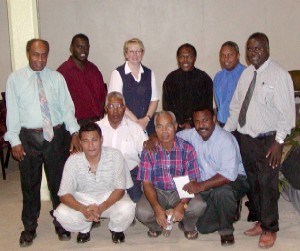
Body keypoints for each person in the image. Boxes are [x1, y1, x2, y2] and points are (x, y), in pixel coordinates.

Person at [4, 38, 81, 247]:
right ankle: (29, 226)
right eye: (36, 54)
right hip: (29, 138)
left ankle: (61, 221)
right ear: (28, 53)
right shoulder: (15, 79)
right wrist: (14, 140)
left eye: (44, 55)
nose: (40, 59)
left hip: (55, 137)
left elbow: (67, 108)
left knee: (58, 183)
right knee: (30, 184)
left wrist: (74, 132)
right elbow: (12, 113)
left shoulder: (57, 78)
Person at [224, 32, 295, 249]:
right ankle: (259, 221)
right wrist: (225, 133)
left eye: (258, 48)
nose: (253, 53)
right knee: (253, 184)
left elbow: (287, 114)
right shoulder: (246, 74)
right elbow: (236, 107)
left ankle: (270, 228)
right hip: (247, 139)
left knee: (267, 185)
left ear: (267, 49)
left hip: (268, 142)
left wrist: (279, 142)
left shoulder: (279, 75)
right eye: (250, 49)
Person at [53, 122, 135, 244]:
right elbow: (64, 195)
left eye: (94, 140)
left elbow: (120, 189)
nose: (90, 145)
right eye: (85, 141)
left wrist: (102, 207)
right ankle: (84, 229)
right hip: (83, 199)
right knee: (61, 213)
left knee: (128, 207)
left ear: (101, 139)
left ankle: (116, 229)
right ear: (80, 142)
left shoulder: (115, 156)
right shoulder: (73, 161)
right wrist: (83, 209)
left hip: (109, 198)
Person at [178, 107, 248, 246]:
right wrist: (154, 138)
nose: (201, 126)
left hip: (234, 180)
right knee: (203, 227)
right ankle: (228, 210)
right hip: (208, 183)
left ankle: (226, 231)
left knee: (222, 192)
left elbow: (228, 175)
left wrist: (200, 186)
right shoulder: (192, 134)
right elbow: (173, 136)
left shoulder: (225, 139)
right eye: (197, 122)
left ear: (214, 119)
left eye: (205, 120)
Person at [136, 111, 206, 240]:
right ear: (155, 129)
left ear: (175, 126)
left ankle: (188, 226)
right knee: (142, 212)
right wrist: (156, 207)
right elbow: (146, 183)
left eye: (168, 126)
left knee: (198, 206)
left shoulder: (187, 149)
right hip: (157, 190)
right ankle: (157, 226)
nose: (164, 131)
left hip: (180, 189)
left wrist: (182, 205)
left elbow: (192, 181)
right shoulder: (149, 150)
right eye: (160, 126)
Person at [96, 91, 148, 203]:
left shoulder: (135, 129)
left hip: (130, 172)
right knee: (97, 200)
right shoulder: (96, 128)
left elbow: (146, 152)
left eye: (119, 106)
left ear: (124, 108)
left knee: (136, 202)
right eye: (111, 106)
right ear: (105, 108)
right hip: (103, 173)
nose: (115, 110)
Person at [108, 38, 159, 135]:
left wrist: (146, 119)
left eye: (138, 51)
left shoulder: (149, 73)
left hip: (147, 124)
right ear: (126, 54)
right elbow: (116, 103)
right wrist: (137, 122)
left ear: (142, 53)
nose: (135, 55)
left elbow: (154, 100)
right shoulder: (117, 73)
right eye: (131, 51)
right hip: (126, 125)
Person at [57, 33, 107, 125]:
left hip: (95, 123)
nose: (83, 50)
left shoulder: (94, 70)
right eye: (79, 47)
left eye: (86, 47)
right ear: (71, 48)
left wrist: (100, 118)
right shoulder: (62, 72)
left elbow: (102, 97)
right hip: (74, 125)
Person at [162, 43, 213, 131]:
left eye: (189, 56)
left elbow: (207, 107)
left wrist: (191, 124)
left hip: (199, 127)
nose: (185, 60)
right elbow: (167, 107)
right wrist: (177, 124)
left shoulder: (204, 79)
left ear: (195, 58)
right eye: (182, 57)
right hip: (176, 127)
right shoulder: (170, 79)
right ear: (178, 58)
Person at [214, 41, 246, 127]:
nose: (226, 58)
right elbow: (218, 104)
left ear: (238, 56)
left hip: (241, 126)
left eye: (230, 55)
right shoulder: (218, 77)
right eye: (223, 55)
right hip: (223, 124)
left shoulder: (246, 74)